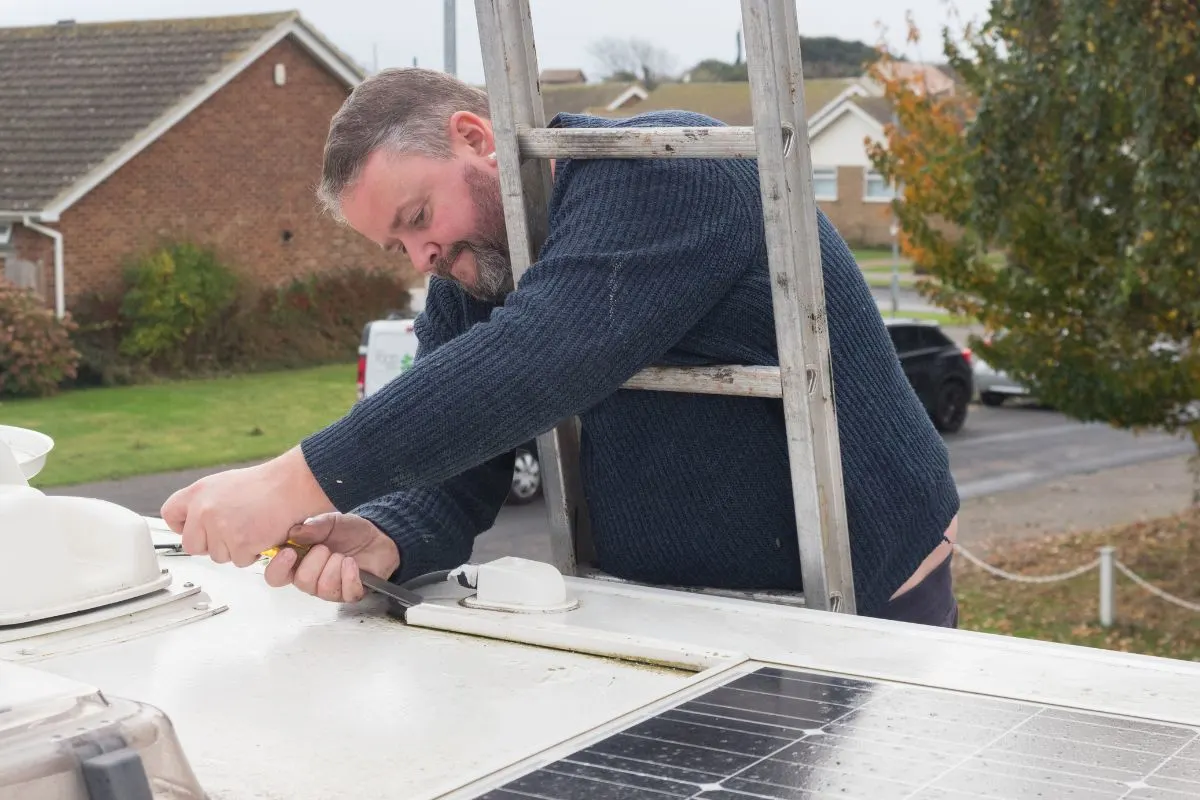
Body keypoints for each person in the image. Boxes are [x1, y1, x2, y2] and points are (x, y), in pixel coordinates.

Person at [161, 67, 961, 626]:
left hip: (866, 602)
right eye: (395, 247)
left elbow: (547, 352)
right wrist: (388, 535)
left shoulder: (668, 170)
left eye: (415, 218)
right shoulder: (475, 272)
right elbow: (456, 472)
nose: (421, 258)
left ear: (475, 138)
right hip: (678, 619)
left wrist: (293, 480)